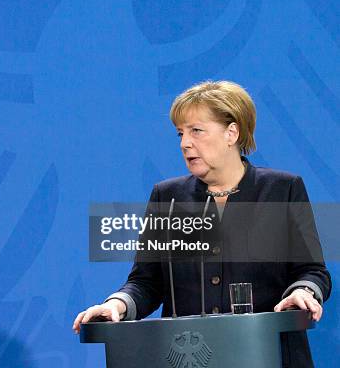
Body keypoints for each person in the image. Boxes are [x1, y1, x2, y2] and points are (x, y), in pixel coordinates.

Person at [73, 81, 331, 367]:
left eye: (196, 131)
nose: (185, 143)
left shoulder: (283, 190)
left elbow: (311, 271)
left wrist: (302, 292)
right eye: (180, 133)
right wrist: (117, 304)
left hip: (271, 355)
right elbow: (146, 282)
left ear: (231, 133)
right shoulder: (167, 197)